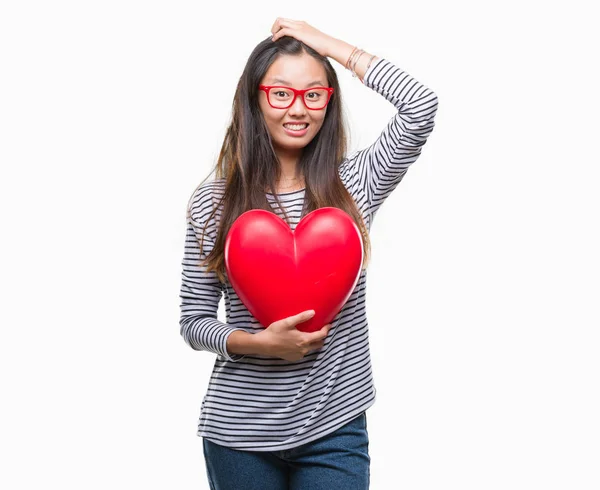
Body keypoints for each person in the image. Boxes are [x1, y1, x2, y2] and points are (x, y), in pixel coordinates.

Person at [179, 17, 438, 490]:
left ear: (328, 102)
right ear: (254, 99)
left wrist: (323, 45)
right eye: (281, 92)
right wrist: (256, 344)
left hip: (334, 428)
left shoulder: (355, 184)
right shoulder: (212, 202)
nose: (298, 108)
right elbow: (193, 321)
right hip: (239, 435)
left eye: (313, 93)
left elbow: (420, 106)